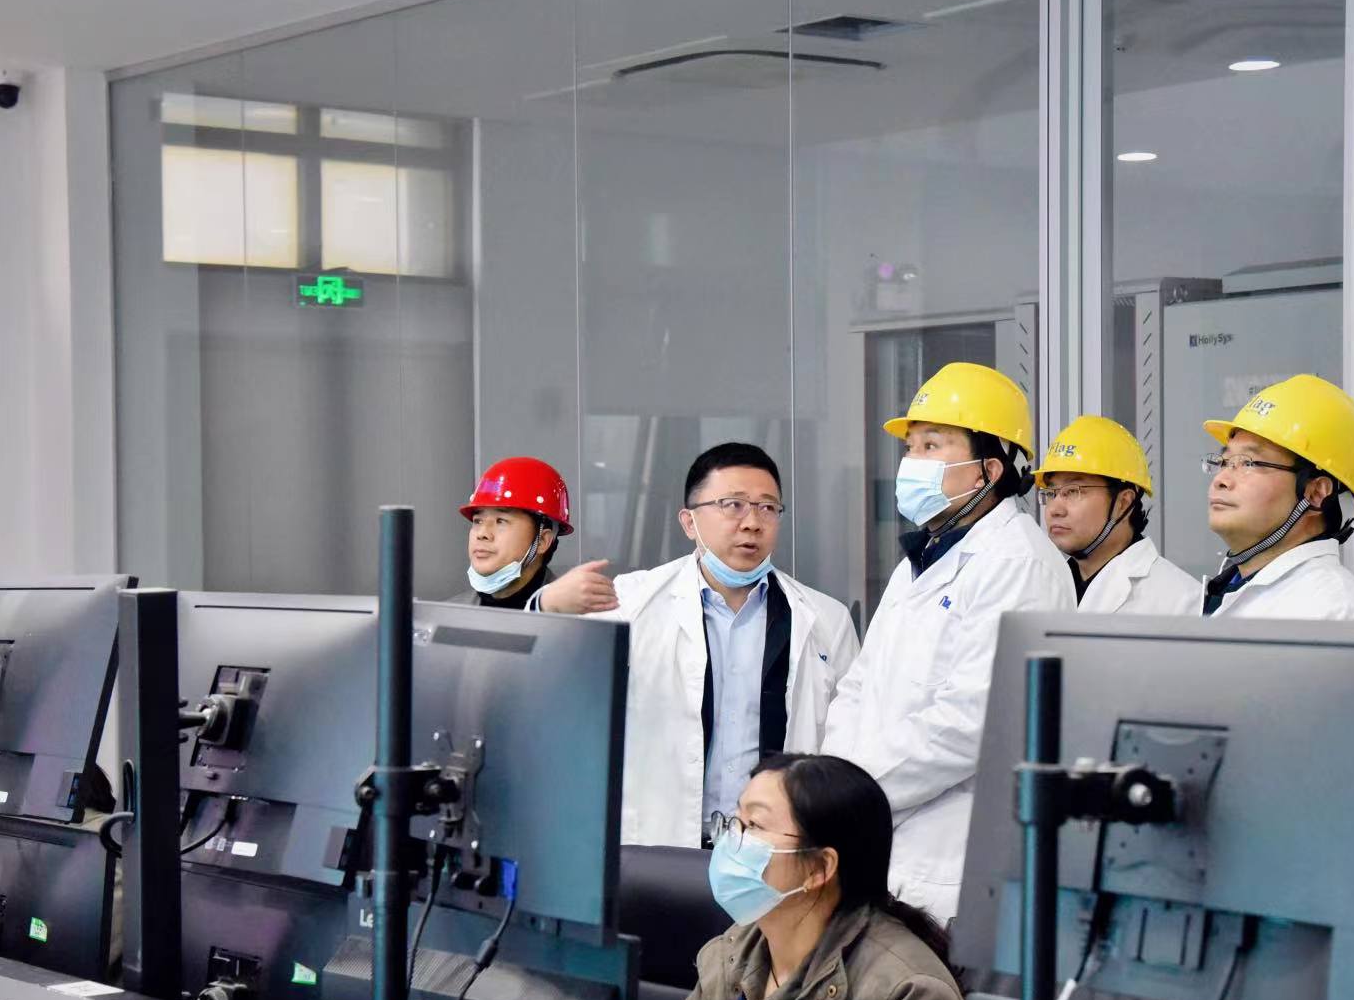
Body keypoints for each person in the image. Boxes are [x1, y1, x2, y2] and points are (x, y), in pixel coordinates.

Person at [822, 363, 1072, 922]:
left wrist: (852, 792)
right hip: (878, 840)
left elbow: (969, 723)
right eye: (910, 447)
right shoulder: (922, 561)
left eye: (932, 445)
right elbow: (858, 687)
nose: (912, 462)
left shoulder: (1019, 563)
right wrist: (834, 781)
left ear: (989, 469)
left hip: (949, 860)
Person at [534, 443, 859, 847]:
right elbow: (544, 690)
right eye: (733, 505)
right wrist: (546, 606)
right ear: (689, 522)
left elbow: (849, 744)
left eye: (767, 508)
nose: (752, 523)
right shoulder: (630, 603)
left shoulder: (826, 620)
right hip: (660, 846)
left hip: (776, 852)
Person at [676, 754, 964, 1000]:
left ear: (820, 867)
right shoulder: (733, 951)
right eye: (736, 821)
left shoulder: (908, 995)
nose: (731, 840)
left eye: (754, 825)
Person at [1200, 374, 1354, 619]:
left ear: (1315, 493)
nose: (1221, 479)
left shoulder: (1334, 611)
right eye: (1225, 461)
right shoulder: (1230, 587)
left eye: (1248, 463)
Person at [1035, 415, 1199, 614]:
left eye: (1073, 491)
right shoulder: (1041, 587)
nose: (1055, 509)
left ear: (1123, 503)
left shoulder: (1180, 601)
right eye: (1050, 493)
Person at [450, 456, 572, 610]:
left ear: (541, 541)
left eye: (500, 521)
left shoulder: (573, 617)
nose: (482, 534)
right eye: (478, 521)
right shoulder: (448, 614)